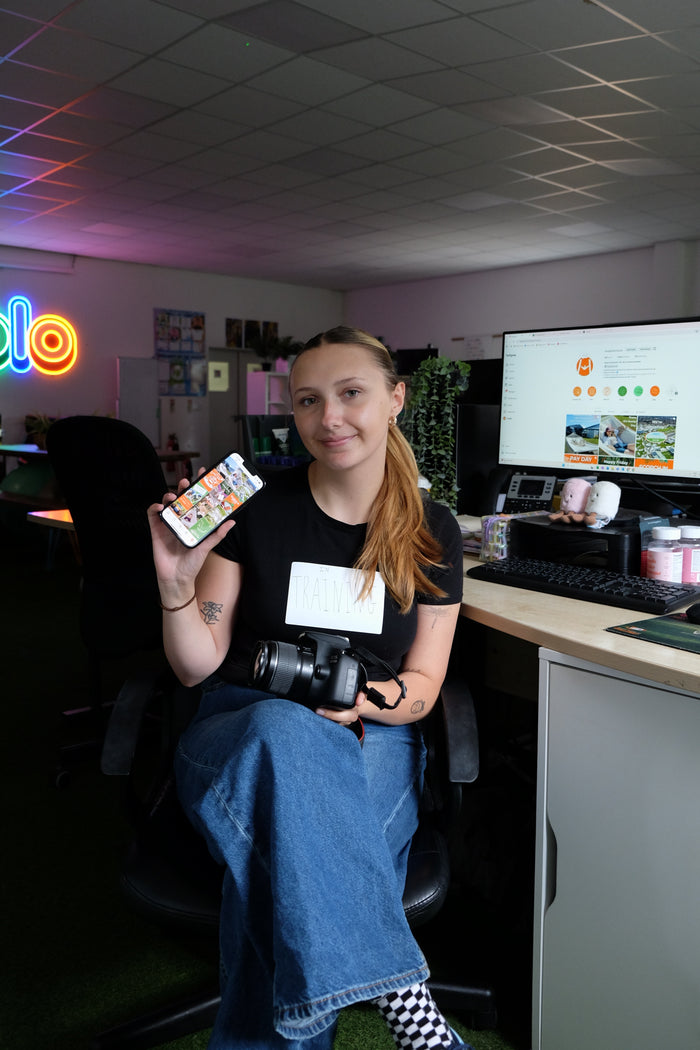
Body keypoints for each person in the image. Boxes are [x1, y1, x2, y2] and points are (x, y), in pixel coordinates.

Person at [148, 326, 470, 1050]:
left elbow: (423, 682)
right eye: (308, 400)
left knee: (285, 868)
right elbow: (198, 667)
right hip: (241, 726)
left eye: (351, 393)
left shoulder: (432, 530)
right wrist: (176, 589)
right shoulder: (256, 507)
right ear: (291, 413)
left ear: (395, 399)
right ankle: (408, 1007)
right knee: (286, 734)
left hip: (372, 731)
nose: (330, 418)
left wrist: (366, 702)